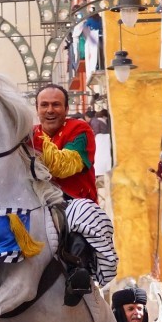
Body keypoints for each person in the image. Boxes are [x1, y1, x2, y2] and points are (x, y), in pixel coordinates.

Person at [30, 83, 104, 304]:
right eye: (44, 105)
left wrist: (36, 146)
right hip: (35, 199)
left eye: (56, 105)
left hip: (71, 199)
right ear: (37, 108)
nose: (50, 110)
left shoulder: (80, 130)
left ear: (66, 108)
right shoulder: (29, 133)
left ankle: (77, 272)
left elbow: (64, 166)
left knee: (78, 216)